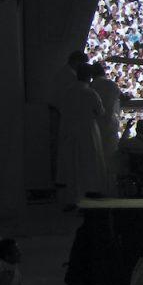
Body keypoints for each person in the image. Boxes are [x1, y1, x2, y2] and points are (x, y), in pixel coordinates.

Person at [56, 62, 107, 207]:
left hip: (68, 131)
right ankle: (89, 195)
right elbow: (101, 112)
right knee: (88, 164)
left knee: (71, 166)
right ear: (89, 77)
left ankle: (71, 199)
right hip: (87, 132)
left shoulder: (67, 91)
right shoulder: (90, 93)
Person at [48, 51, 87, 185]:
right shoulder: (69, 76)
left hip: (60, 112)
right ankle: (62, 179)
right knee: (64, 148)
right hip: (62, 114)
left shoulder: (64, 73)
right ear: (76, 61)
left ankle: (61, 178)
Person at [89, 62, 128, 186]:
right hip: (110, 125)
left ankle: (98, 186)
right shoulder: (112, 85)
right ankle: (110, 186)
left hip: (95, 126)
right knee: (110, 156)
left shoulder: (91, 86)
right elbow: (124, 98)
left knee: (96, 158)